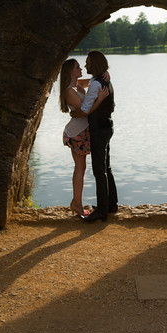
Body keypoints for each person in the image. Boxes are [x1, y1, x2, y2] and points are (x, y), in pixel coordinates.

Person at [71, 51, 118, 222]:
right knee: (107, 168)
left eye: (88, 63)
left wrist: (74, 114)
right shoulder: (104, 81)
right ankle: (111, 205)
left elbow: (85, 110)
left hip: (99, 130)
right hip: (108, 127)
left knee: (99, 171)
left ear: (95, 64)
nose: (85, 65)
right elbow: (111, 106)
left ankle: (102, 211)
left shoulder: (95, 85)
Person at [59, 58, 109, 216]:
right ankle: (77, 204)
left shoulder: (78, 85)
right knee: (80, 168)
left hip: (83, 131)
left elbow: (94, 80)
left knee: (82, 168)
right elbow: (85, 111)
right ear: (70, 72)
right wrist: (100, 100)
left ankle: (76, 202)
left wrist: (104, 73)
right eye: (77, 67)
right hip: (76, 132)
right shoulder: (69, 91)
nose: (81, 69)